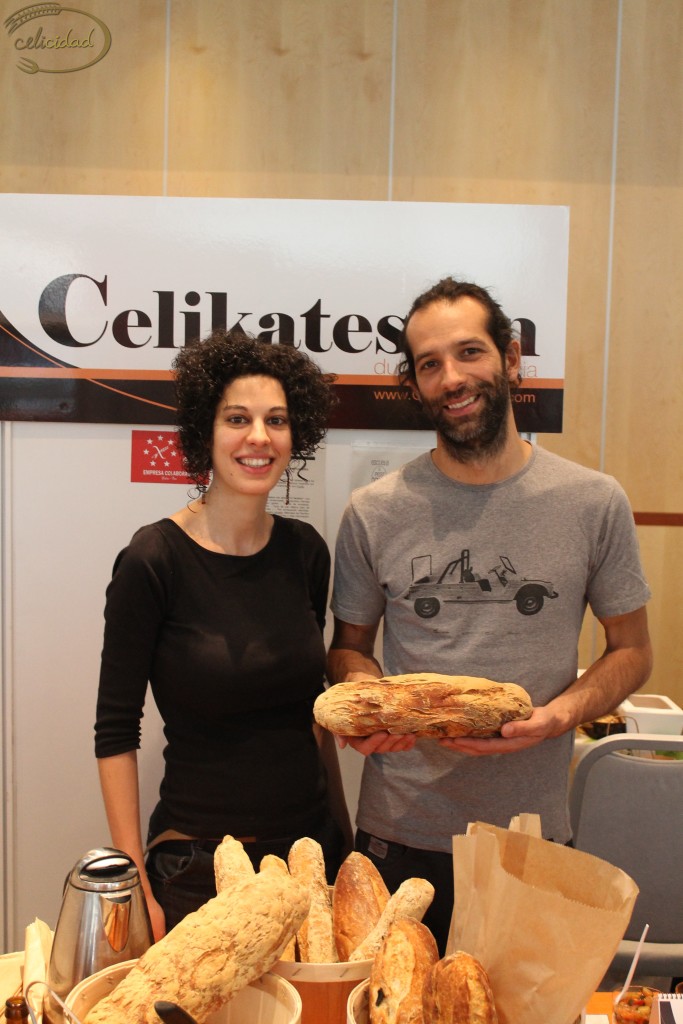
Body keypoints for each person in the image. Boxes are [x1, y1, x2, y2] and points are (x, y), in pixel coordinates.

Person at [327, 277, 652, 954]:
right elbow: (349, 646)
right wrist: (367, 698)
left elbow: (632, 650)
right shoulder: (374, 511)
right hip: (398, 836)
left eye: (468, 352)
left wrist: (557, 716)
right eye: (429, 364)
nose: (451, 378)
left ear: (510, 358)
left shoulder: (593, 502)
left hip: (532, 838)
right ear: (415, 384)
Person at [95, 329, 351, 941]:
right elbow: (115, 731)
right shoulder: (153, 559)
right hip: (196, 867)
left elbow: (311, 710)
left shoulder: (306, 552)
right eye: (238, 419)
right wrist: (133, 883)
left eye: (276, 420)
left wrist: (342, 838)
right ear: (203, 433)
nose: (259, 437)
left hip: (308, 858)